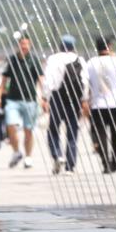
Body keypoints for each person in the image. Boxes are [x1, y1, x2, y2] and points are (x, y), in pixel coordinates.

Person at [0, 34, 46, 169]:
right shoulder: (12, 60)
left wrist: (45, 98)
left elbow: (41, 80)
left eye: (26, 44)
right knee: (10, 125)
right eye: (22, 44)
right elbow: (4, 80)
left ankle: (28, 157)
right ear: (18, 45)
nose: (24, 46)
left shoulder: (34, 60)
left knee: (28, 130)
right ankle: (17, 152)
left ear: (30, 45)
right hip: (13, 100)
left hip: (30, 100)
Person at [43, 34, 89, 174]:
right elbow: (85, 80)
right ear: (73, 46)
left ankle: (57, 155)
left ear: (60, 45)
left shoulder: (53, 59)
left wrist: (45, 98)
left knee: (53, 129)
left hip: (57, 97)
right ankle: (70, 165)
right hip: (74, 98)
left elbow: (48, 80)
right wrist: (84, 100)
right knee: (72, 131)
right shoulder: (79, 59)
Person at [87, 36, 116, 174]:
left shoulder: (90, 63)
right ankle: (115, 161)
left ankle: (106, 163)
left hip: (97, 104)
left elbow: (86, 83)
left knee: (100, 134)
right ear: (109, 46)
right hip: (115, 103)